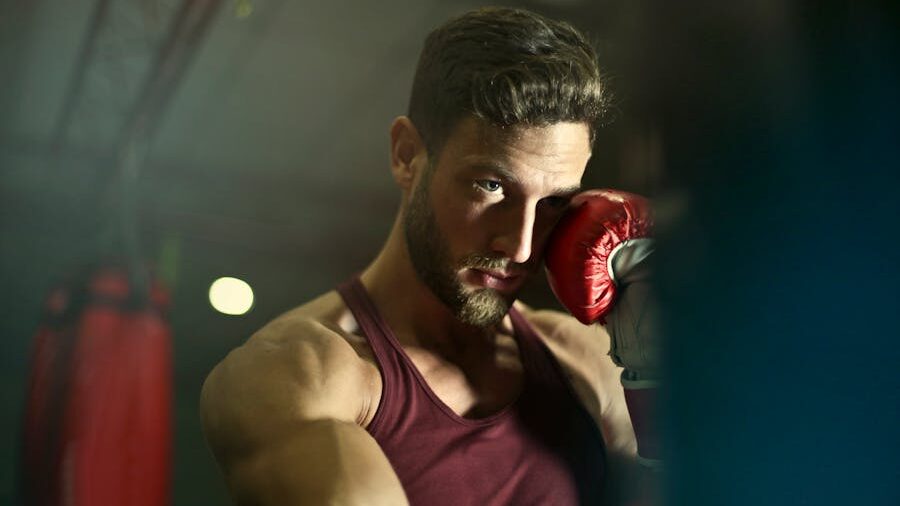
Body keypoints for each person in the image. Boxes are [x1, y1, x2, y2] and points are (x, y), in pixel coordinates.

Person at [200, 7, 659, 505]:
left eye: (552, 203)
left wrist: (662, 378)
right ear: (406, 155)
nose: (521, 246)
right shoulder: (301, 376)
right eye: (491, 185)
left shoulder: (586, 361)